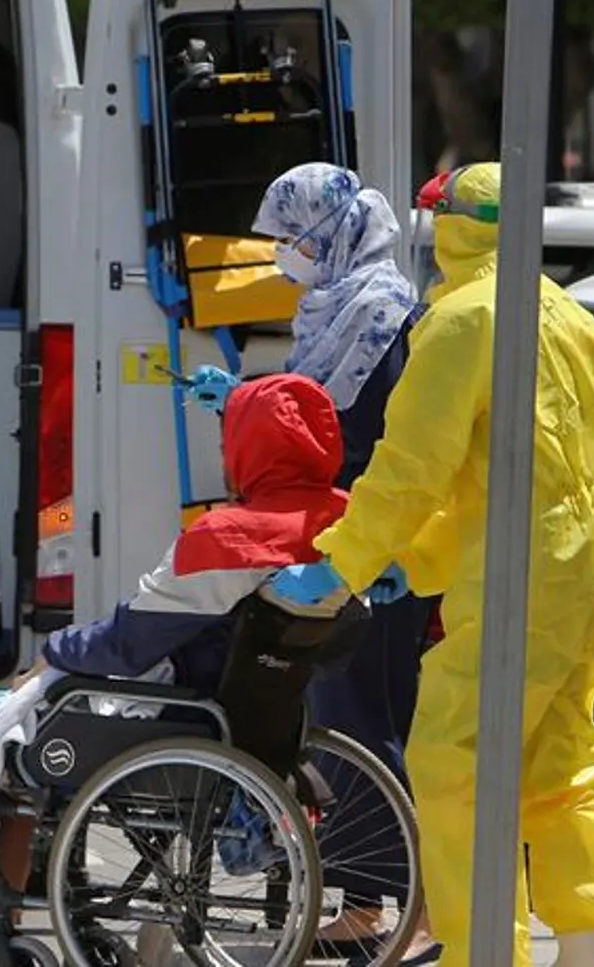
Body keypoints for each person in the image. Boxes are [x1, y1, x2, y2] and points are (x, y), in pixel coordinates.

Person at [263, 161, 594, 967]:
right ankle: (588, 953)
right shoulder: (568, 313)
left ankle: (482, 956)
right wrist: (420, 557)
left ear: (453, 229)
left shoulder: (466, 320)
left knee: (453, 763)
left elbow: (411, 467)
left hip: (526, 576)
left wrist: (344, 564)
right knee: (560, 772)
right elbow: (550, 458)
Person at [0, 373, 401, 967]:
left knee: (15, 751)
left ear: (248, 447)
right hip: (266, 726)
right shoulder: (349, 528)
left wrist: (52, 654)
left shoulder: (227, 536)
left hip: (183, 724)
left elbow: (128, 642)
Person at [187, 161, 440, 960]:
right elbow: (312, 404)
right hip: (345, 535)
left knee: (368, 712)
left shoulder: (380, 311)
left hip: (370, 538)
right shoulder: (334, 307)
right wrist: (242, 397)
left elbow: (351, 433)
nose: (281, 254)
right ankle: (388, 902)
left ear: (331, 230)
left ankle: (395, 907)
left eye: (290, 238)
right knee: (354, 709)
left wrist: (255, 411)